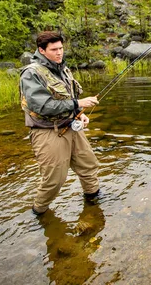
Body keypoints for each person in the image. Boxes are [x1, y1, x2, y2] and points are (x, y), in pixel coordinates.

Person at [19, 31, 100, 215]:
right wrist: (78, 103)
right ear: (41, 50)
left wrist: (79, 114)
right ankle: (38, 213)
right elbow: (44, 106)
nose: (59, 53)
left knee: (89, 166)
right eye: (54, 49)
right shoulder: (31, 74)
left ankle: (94, 202)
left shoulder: (62, 68)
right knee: (54, 180)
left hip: (71, 125)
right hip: (48, 131)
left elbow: (69, 97)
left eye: (61, 48)